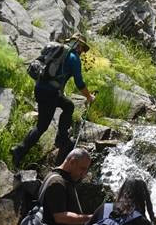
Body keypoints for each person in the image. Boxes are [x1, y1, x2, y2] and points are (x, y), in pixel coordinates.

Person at [12, 35, 96, 167]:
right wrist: (89, 97)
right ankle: (18, 151)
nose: (82, 51)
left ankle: (61, 138)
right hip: (50, 94)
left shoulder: (57, 50)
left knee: (68, 106)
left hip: (41, 88)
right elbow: (79, 83)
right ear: (78, 45)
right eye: (82, 48)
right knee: (42, 127)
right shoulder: (74, 58)